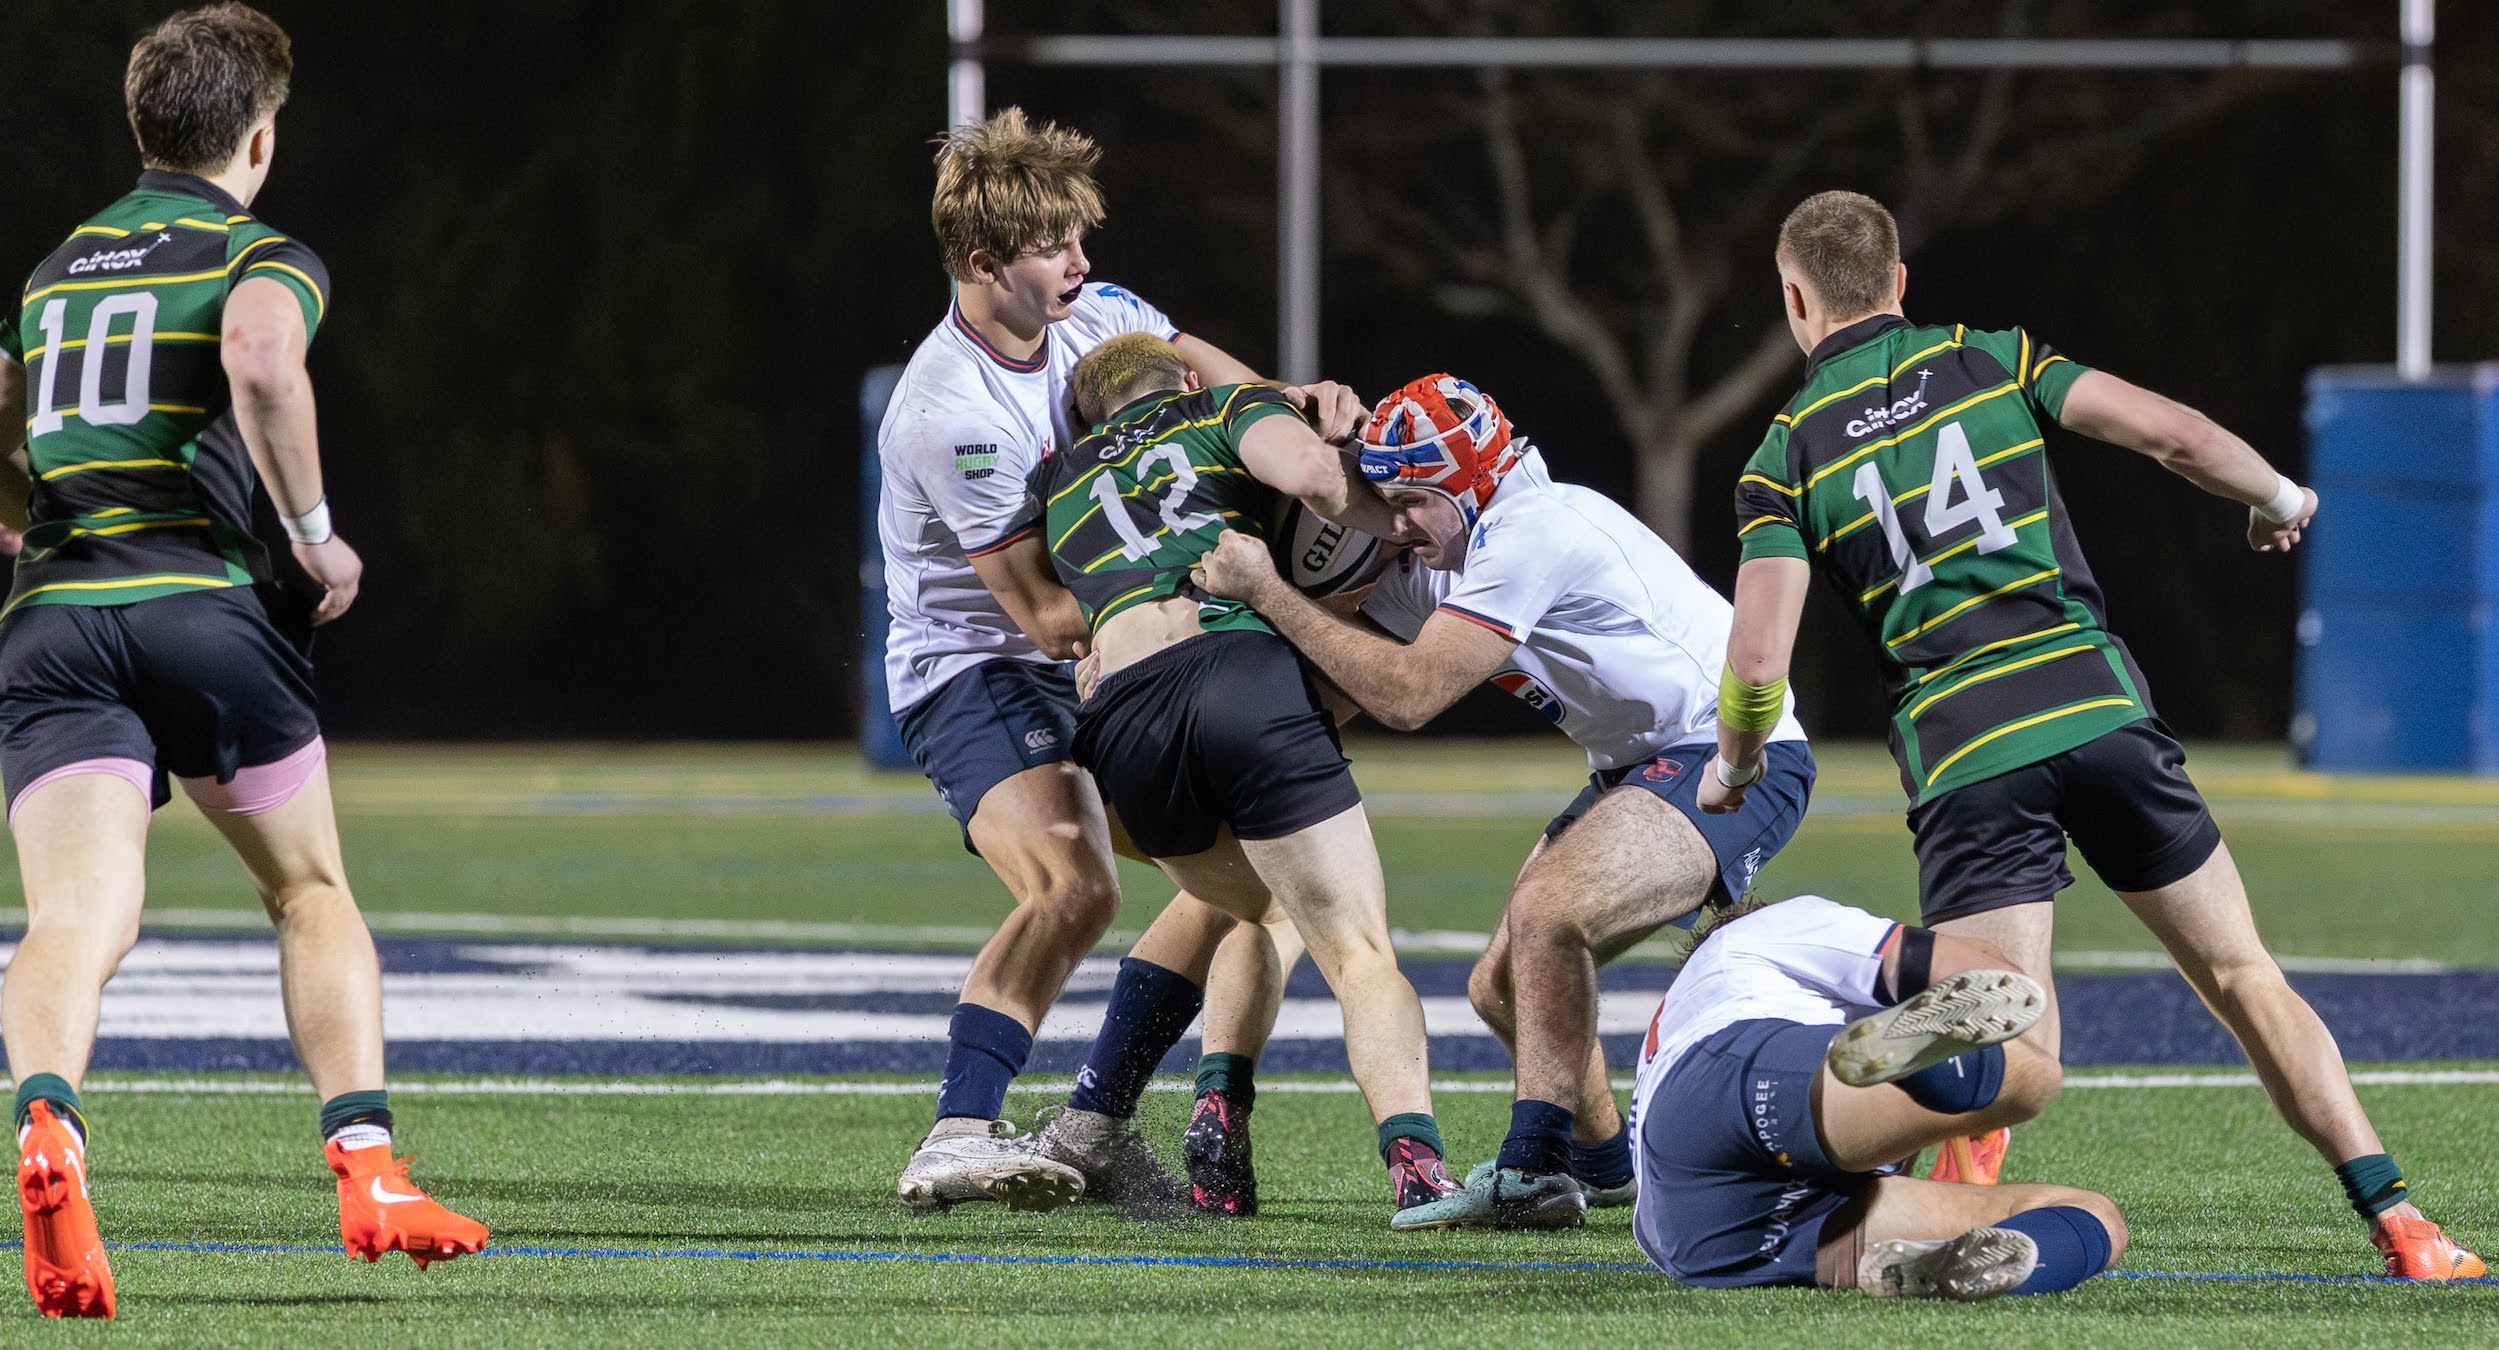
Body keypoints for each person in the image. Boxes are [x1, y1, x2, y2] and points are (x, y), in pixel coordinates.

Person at [1701, 188, 2481, 1280]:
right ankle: (2401, 1219)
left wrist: (1734, 771)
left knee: (2014, 1050)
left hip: (1966, 753)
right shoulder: (1993, 360)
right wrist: (2280, 501)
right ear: (1899, 283)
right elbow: (2178, 436)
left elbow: (1756, 664)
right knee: (2245, 975)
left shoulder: (1782, 457)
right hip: (2094, 709)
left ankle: (1941, 1175)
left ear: (1792, 298)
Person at [0, 4, 487, 1318]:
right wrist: (320, 539)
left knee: (72, 920)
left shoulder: (55, 270)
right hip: (202, 611)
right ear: (259, 136)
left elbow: (2, 416)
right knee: (309, 886)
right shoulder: (255, 249)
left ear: (142, 122)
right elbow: (262, 359)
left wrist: (21, 510)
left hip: (53, 619)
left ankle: (49, 1124)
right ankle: (369, 1165)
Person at [1190, 374, 1816, 1230]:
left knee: (1548, 915)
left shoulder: (1533, 526)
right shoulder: (1459, 547)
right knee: (1498, 988)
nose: (1398, 524)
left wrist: (1267, 590)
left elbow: (1407, 696)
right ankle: (1607, 1167)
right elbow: (1332, 677)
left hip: (1733, 753)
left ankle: (1531, 1170)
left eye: (1414, 501)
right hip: (1633, 766)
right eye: (1389, 503)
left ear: (1471, 482)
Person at [876, 108, 1351, 1213]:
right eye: (1055, 247)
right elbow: (1045, 615)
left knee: (1255, 871)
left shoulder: (1107, 317)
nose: (1082, 263)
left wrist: (1303, 407)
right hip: (979, 667)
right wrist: (1223, 604)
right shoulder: (950, 413)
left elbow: (1233, 400)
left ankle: (1093, 1118)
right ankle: (955, 1132)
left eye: (1083, 236)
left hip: (1117, 635)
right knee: (1074, 882)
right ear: (984, 263)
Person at [1018, 333, 1463, 1223]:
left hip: (1119, 722)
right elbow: (1308, 477)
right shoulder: (1220, 405)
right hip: (1237, 675)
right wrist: (1401, 524)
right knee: (1358, 948)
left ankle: (1210, 1106)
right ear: (1182, 381)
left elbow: (1061, 623)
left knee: (1255, 902)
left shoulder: (1056, 481)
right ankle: (1415, 1163)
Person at [1628, 893, 2124, 1300]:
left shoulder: (1680, 1020)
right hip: (1740, 1082)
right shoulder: (1763, 930)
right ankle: (1936, 1064)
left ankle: (1947, 1266)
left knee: (2096, 1217)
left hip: (1700, 1236)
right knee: (2033, 1078)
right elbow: (1989, 972)